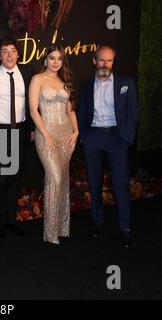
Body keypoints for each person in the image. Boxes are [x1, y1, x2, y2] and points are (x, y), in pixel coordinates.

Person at [77, 45, 139, 249]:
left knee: (120, 185)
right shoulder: (85, 87)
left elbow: (133, 113)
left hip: (117, 137)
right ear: (94, 61)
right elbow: (82, 114)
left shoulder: (126, 83)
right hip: (94, 137)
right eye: (102, 60)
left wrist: (126, 137)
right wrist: (84, 138)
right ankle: (97, 221)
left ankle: (126, 228)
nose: (105, 64)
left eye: (109, 60)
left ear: (113, 62)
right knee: (94, 183)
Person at [0, 36, 39, 240]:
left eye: (13, 50)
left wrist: (33, 128)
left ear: (18, 54)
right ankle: (0, 224)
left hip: (20, 132)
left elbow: (35, 102)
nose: (9, 54)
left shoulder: (27, 72)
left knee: (14, 179)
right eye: (5, 51)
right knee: (0, 179)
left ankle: (12, 221)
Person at [29, 44, 79, 245]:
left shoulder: (64, 80)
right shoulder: (38, 79)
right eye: (52, 58)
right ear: (45, 59)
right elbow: (34, 111)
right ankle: (50, 233)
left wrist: (76, 131)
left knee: (63, 179)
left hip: (66, 134)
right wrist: (46, 135)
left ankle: (62, 227)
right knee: (55, 178)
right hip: (46, 133)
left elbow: (71, 110)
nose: (56, 62)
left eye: (59, 58)